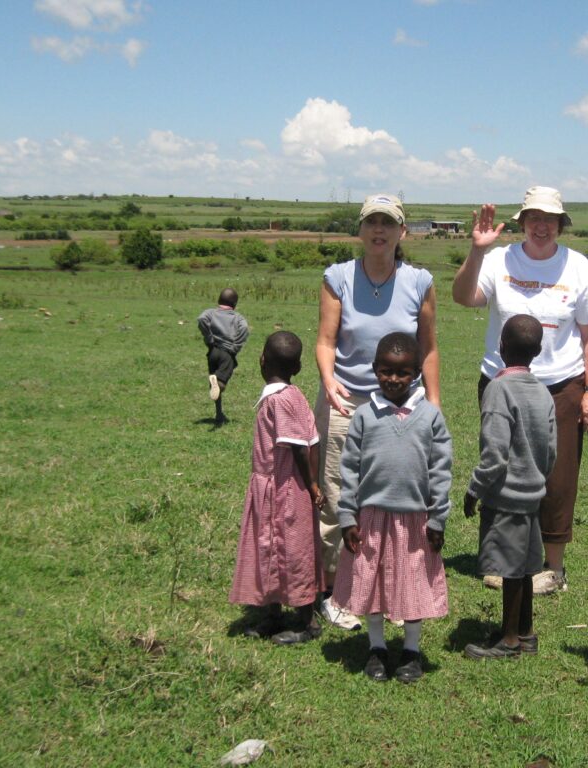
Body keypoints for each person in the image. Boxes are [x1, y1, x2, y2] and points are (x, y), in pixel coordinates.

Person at [452, 186, 588, 595]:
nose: (542, 226)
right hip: (502, 384)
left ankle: (553, 570)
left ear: (560, 224)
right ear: (522, 222)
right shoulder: (499, 258)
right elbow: (464, 297)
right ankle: (504, 560)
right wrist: (476, 251)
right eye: (534, 218)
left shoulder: (577, 267)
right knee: (501, 467)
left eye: (550, 219)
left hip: (562, 386)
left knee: (557, 475)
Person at [315, 194, 440, 629]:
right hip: (346, 401)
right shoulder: (339, 277)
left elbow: (429, 348)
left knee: (398, 498)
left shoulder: (420, 280)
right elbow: (326, 341)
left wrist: (434, 402)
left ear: (402, 232)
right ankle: (334, 590)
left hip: (405, 406)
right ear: (361, 230)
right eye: (372, 222)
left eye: (388, 223)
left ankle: (396, 588)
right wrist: (329, 381)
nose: (379, 231)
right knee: (337, 493)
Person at [331, 332, 452, 683]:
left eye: (402, 373)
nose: (393, 379)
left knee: (414, 582)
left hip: (417, 519)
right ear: (374, 370)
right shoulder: (365, 416)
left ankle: (411, 651)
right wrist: (347, 516)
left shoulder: (430, 417)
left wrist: (438, 517)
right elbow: (349, 469)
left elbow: (441, 470)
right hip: (371, 518)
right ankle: (377, 647)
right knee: (372, 583)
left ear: (416, 373)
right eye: (386, 371)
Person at [463, 315, 557, 660]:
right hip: (533, 493)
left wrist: (474, 489)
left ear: (501, 348)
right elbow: (550, 449)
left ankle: (510, 640)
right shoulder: (544, 392)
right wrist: (537, 478)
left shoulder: (498, 390)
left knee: (511, 570)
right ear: (538, 350)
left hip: (505, 497)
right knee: (526, 566)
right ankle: (525, 631)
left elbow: (494, 453)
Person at [229, 331, 326, 645]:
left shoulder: (279, 401)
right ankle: (271, 614)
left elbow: (299, 447)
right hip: (279, 488)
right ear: (297, 368)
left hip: (282, 490)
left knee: (292, 551)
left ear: (261, 360)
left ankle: (306, 621)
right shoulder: (294, 395)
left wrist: (311, 485)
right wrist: (313, 482)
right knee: (267, 549)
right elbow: (313, 443)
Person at [198, 287, 249, 425]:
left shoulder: (210, 313)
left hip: (212, 351)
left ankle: (219, 413)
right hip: (227, 354)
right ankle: (218, 384)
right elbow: (244, 329)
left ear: (218, 300)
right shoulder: (237, 318)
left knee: (214, 382)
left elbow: (201, 318)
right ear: (235, 304)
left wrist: (209, 338)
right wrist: (235, 347)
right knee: (221, 383)